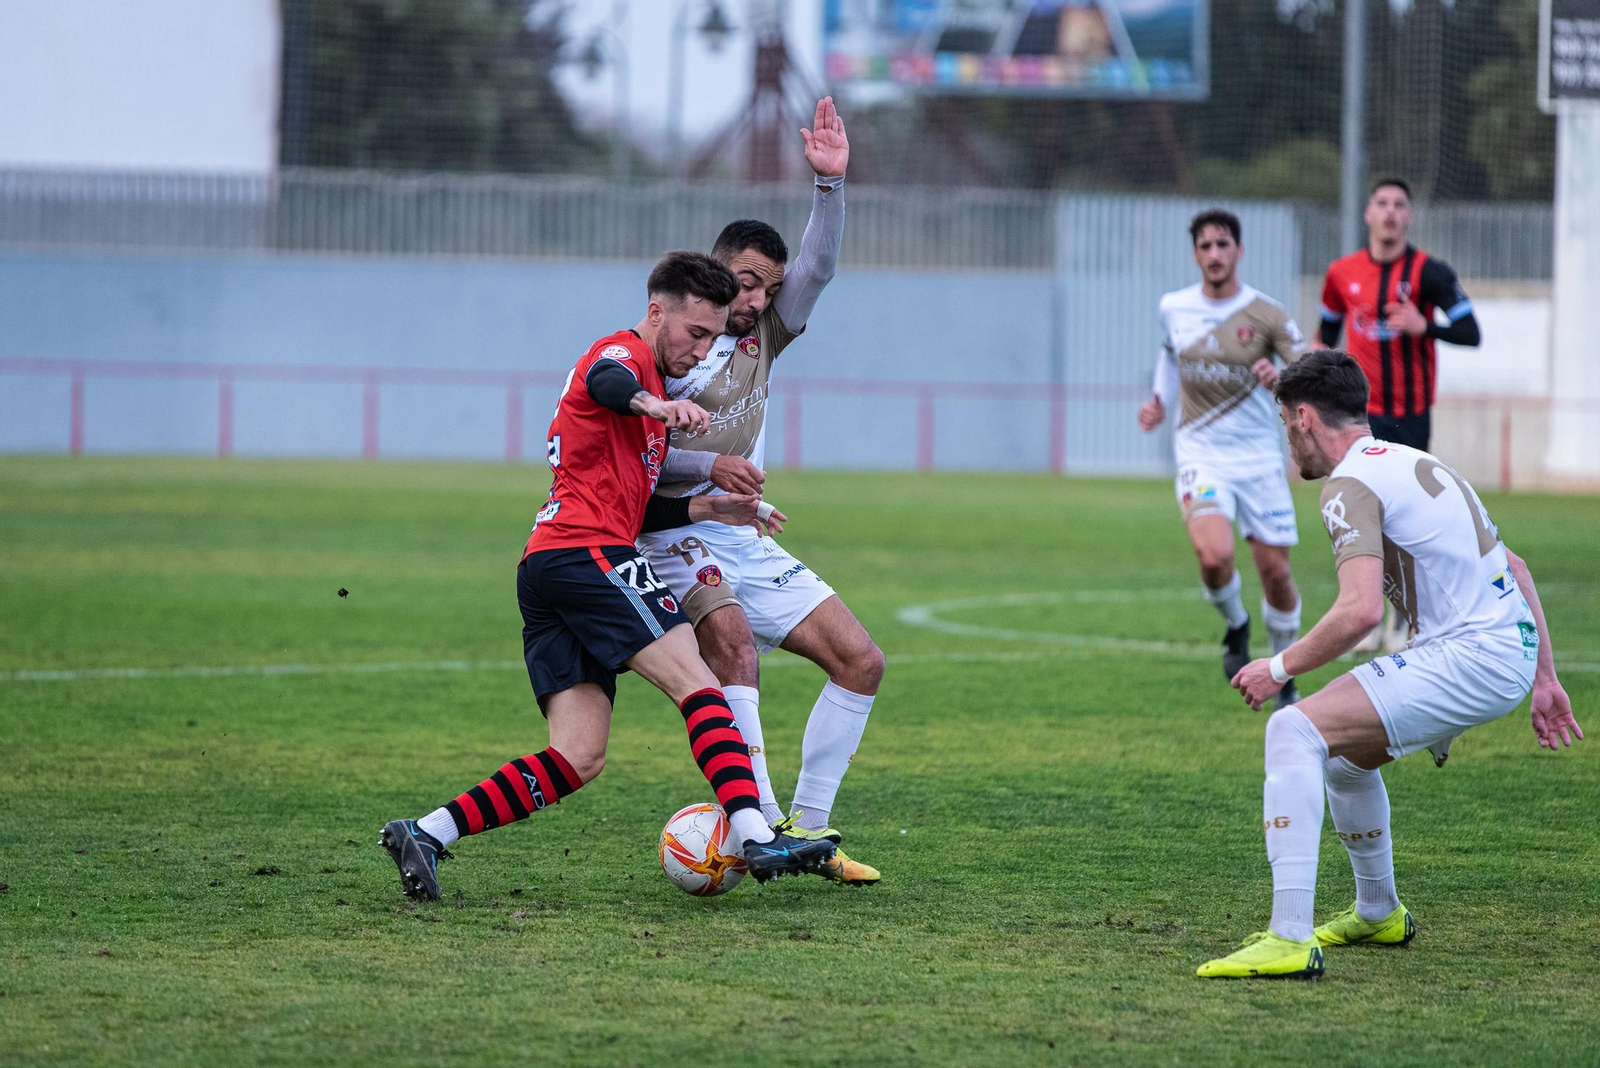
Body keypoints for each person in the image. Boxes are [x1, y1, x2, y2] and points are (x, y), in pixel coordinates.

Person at [379, 251, 837, 901]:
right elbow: (606, 382)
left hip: (549, 565)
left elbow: (636, 500)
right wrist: (655, 404)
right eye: (695, 333)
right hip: (588, 554)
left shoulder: (648, 400)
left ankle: (426, 831)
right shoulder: (622, 355)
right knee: (698, 683)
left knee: (578, 756)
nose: (702, 350)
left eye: (712, 338)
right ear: (657, 313)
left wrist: (711, 505)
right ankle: (756, 832)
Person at [1197, 351, 1580, 980]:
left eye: (1286, 428)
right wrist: (1543, 677)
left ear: (1303, 418)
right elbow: (1517, 568)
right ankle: (1378, 911)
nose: (1289, 445)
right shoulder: (1414, 461)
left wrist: (1278, 666)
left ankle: (1289, 937)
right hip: (1500, 651)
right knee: (1346, 762)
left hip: (1471, 656)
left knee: (1292, 730)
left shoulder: (1349, 484)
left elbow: (1359, 612)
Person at [638, 97, 886, 885]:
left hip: (742, 533)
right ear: (716, 272)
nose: (755, 300)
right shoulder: (669, 352)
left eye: (766, 288)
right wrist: (710, 472)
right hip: (677, 534)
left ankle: (810, 832)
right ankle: (763, 826)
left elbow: (820, 268)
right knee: (737, 649)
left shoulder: (765, 333)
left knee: (862, 660)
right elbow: (639, 464)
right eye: (745, 282)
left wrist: (830, 188)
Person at [1139, 209, 1307, 707]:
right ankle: (1236, 624)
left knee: (1275, 573)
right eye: (1205, 246)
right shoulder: (1175, 307)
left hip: (1258, 459)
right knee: (1214, 556)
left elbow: (1308, 374)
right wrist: (1158, 400)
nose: (1214, 254)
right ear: (1195, 254)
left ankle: (1284, 672)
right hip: (1200, 454)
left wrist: (1280, 381)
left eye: (1223, 244)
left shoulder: (1268, 314)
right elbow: (1170, 357)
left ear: (1239, 251)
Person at [1318, 179, 1483, 653]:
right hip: (1357, 416)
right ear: (1367, 213)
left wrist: (1424, 325)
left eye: (1399, 205)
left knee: (1405, 517)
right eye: (1382, 203)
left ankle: (1404, 619)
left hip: (1411, 414)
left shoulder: (1429, 271)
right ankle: (1363, 616)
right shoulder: (1341, 273)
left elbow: (1472, 331)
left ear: (1409, 216)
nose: (1390, 212)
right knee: (1357, 509)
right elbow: (1324, 336)